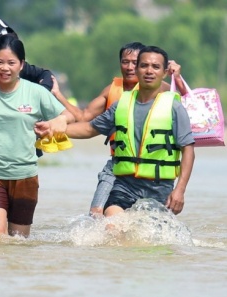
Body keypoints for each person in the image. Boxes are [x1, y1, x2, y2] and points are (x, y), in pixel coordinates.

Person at [36, 46, 195, 217]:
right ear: (137, 69)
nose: (149, 71)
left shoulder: (174, 105)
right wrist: (53, 129)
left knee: (150, 240)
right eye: (143, 66)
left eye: (155, 67)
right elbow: (89, 127)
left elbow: (189, 149)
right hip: (124, 183)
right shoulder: (120, 104)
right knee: (109, 223)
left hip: (159, 186)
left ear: (164, 73)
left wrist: (180, 190)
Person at [0, 34, 74, 237]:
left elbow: (68, 115)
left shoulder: (36, 92)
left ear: (21, 65)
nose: (5, 68)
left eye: (11, 62)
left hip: (25, 176)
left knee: (19, 241)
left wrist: (59, 121)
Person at [0, 13, 55, 210]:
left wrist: (41, 94)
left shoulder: (20, 72)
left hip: (17, 161)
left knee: (16, 234)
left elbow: (46, 75)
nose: (5, 67)